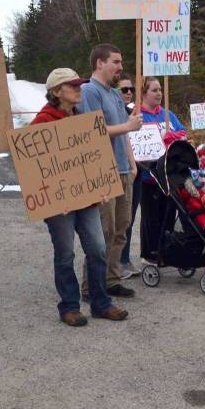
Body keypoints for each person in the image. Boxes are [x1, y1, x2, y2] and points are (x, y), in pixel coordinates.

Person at [33, 69, 128, 325]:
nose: (78, 89)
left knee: (97, 249)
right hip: (59, 205)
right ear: (56, 92)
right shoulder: (42, 123)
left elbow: (92, 159)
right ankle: (69, 307)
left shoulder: (82, 119)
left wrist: (101, 186)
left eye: (78, 84)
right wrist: (54, 197)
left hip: (86, 200)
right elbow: (34, 168)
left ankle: (100, 303)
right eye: (71, 85)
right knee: (65, 254)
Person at [77, 44, 141, 298]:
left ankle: (111, 279)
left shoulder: (114, 94)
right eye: (115, 61)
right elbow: (92, 130)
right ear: (100, 63)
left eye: (121, 61)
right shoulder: (89, 92)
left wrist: (132, 162)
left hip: (123, 169)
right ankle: (90, 286)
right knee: (103, 231)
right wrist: (128, 126)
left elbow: (122, 132)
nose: (120, 66)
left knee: (120, 229)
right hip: (103, 171)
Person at [137, 76, 185, 262]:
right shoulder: (138, 115)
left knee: (168, 215)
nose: (159, 94)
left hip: (169, 175)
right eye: (154, 90)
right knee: (151, 217)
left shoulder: (167, 114)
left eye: (160, 90)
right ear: (143, 93)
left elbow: (182, 131)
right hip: (149, 177)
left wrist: (174, 136)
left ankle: (167, 250)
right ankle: (149, 254)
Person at [117, 77, 142, 279]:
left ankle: (124, 259)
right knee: (115, 222)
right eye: (123, 89)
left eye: (131, 89)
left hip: (136, 170)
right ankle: (115, 262)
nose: (128, 92)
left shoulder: (132, 113)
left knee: (129, 219)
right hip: (119, 170)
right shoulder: (117, 115)